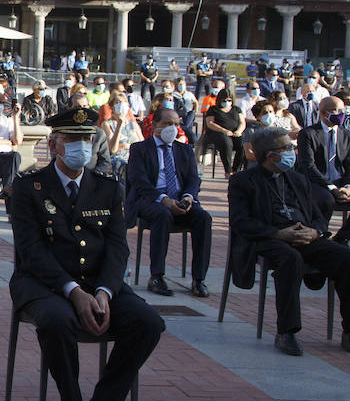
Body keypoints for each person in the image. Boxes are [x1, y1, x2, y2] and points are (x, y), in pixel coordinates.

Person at [8, 106, 166, 401]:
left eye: (87, 139)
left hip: (99, 285)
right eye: (73, 139)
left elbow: (117, 248)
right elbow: (31, 251)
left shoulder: (108, 188)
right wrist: (73, 291)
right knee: (56, 322)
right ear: (54, 145)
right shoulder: (28, 188)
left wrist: (104, 293)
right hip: (44, 285)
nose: (82, 146)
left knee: (148, 323)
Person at [229, 125, 350, 355]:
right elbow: (240, 221)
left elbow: (316, 216)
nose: (292, 151)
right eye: (287, 148)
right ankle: (287, 332)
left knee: (344, 257)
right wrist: (277, 233)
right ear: (270, 155)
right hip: (267, 238)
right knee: (290, 259)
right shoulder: (244, 181)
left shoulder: (298, 179)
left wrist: (315, 232)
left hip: (304, 235)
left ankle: (349, 331)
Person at [126, 107, 212, 297]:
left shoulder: (184, 149)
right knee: (162, 215)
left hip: (181, 199)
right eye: (167, 123)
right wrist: (163, 200)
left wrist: (189, 196)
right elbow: (138, 180)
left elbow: (193, 178)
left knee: (203, 218)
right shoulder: (140, 149)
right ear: (155, 124)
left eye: (175, 124)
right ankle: (157, 276)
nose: (172, 128)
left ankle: (199, 279)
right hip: (151, 199)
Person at [295, 96, 350, 243]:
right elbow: (308, 166)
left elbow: (349, 165)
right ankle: (320, 236)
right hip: (317, 182)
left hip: (340, 182)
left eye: (342, 110)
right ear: (323, 113)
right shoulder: (308, 133)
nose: (339, 114)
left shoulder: (346, 134)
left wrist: (347, 187)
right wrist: (332, 188)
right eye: (335, 110)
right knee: (326, 200)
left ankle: (341, 239)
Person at [202, 88, 244, 179]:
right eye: (224, 100)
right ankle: (228, 171)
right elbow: (210, 123)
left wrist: (239, 131)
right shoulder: (213, 109)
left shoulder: (236, 109)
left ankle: (236, 170)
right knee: (226, 143)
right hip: (218, 134)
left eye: (229, 100)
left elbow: (242, 122)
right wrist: (223, 130)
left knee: (243, 144)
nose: (227, 102)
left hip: (234, 134)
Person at [99, 91, 141, 179]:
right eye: (117, 102)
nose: (121, 105)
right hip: (118, 160)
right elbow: (113, 149)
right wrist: (119, 125)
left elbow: (142, 143)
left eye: (123, 102)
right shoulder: (107, 124)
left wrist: (125, 146)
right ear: (112, 107)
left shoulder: (133, 124)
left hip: (134, 157)